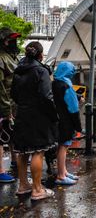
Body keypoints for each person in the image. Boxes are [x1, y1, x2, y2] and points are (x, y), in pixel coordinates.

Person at [12, 41, 58, 200]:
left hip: (22, 114)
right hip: (38, 116)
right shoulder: (41, 71)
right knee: (38, 151)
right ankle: (38, 190)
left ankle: (23, 185)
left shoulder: (18, 70)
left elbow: (14, 95)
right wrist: (54, 115)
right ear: (40, 55)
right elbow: (46, 96)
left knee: (23, 151)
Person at [52, 61, 82, 185]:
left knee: (60, 146)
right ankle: (61, 176)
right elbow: (73, 108)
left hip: (56, 119)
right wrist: (78, 126)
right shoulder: (67, 86)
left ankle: (63, 171)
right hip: (66, 121)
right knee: (64, 147)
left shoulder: (54, 83)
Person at [0, 27, 19, 183]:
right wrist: (6, 109)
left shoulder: (13, 56)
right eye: (9, 39)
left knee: (13, 134)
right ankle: (0, 170)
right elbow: (0, 86)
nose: (12, 42)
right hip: (3, 105)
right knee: (1, 138)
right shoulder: (1, 58)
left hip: (14, 103)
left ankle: (15, 160)